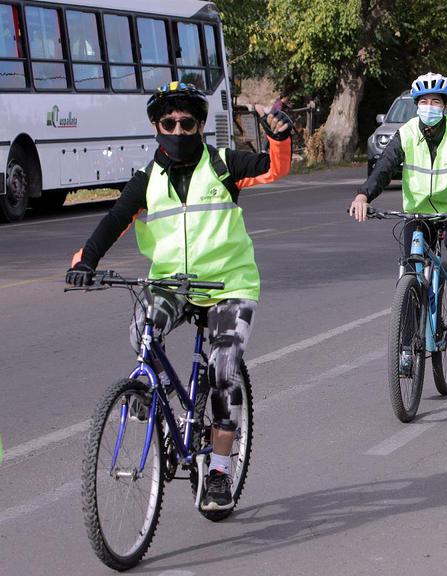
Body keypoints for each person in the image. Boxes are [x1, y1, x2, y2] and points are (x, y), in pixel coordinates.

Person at [65, 82, 292, 511]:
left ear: (201, 126)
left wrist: (279, 137)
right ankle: (161, 389)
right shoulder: (147, 178)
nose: (178, 129)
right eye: (168, 122)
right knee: (141, 332)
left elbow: (272, 169)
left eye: (187, 122)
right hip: (172, 283)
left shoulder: (224, 164)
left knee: (224, 369)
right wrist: (85, 262)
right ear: (156, 126)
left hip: (229, 285)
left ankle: (221, 471)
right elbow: (116, 218)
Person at [349, 72, 447, 322]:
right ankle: (408, 334)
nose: (429, 107)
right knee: (412, 262)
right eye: (424, 101)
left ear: (445, 106)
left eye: (435, 102)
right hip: (418, 211)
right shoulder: (407, 133)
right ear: (416, 105)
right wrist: (363, 196)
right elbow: (384, 167)